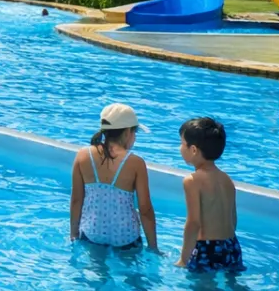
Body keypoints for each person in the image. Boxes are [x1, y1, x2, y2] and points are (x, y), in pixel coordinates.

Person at [69, 103, 158, 252]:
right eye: (135, 131)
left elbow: (76, 200)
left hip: (93, 233)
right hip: (126, 237)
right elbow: (145, 209)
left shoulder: (83, 155)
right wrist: (153, 247)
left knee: (96, 265)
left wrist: (74, 234)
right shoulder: (136, 163)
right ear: (127, 132)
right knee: (130, 266)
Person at [177, 117, 244, 273]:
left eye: (182, 143)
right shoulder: (226, 179)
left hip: (207, 248)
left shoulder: (192, 181)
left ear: (193, 150)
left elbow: (193, 223)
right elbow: (233, 219)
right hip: (231, 245)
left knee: (204, 285)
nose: (179, 148)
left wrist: (183, 259)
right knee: (233, 283)